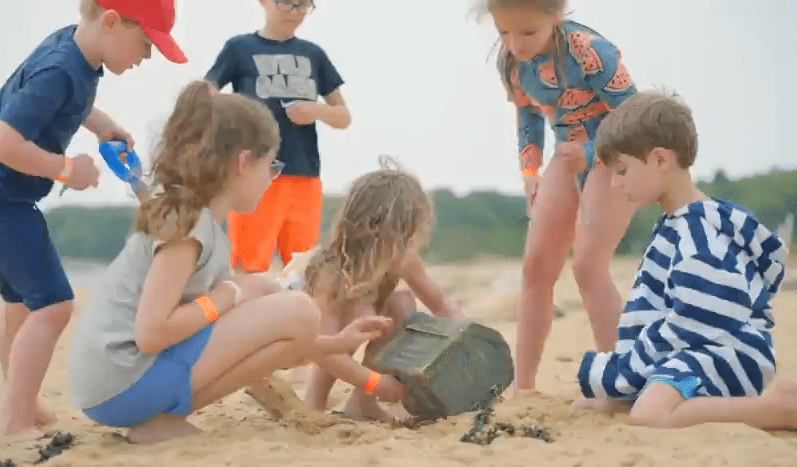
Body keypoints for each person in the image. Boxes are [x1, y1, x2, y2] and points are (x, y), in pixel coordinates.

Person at [67, 81, 392, 445]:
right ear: (243, 163)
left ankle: (160, 421)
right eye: (271, 165)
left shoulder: (201, 224)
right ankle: (159, 415)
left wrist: (336, 342)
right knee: (295, 308)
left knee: (263, 291)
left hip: (120, 382)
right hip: (122, 380)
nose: (274, 177)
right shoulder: (187, 227)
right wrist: (222, 299)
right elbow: (152, 332)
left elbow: (279, 341)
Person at [0, 0, 188, 436]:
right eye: (145, 44)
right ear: (112, 21)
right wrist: (65, 169)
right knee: (55, 305)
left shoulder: (76, 51)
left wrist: (99, 125)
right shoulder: (61, 68)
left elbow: (64, 104)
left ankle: (22, 402)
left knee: (22, 303)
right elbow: (2, 143)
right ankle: (17, 420)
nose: (146, 57)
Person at [573, 89, 797, 431]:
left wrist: (623, 371)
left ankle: (778, 410)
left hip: (728, 356)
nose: (616, 184)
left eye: (622, 171)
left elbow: (698, 321)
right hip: (700, 354)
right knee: (639, 397)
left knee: (650, 414)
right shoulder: (677, 224)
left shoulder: (699, 233)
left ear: (661, 159)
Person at [476, 0, 639, 391]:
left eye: (527, 33)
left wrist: (589, 153)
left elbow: (637, 119)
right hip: (564, 158)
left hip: (616, 156)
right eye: (503, 32)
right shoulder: (512, 60)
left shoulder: (590, 51)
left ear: (556, 15)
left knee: (588, 266)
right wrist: (530, 172)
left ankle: (620, 383)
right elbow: (528, 114)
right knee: (535, 269)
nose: (515, 44)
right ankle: (524, 387)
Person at [297, 165, 466, 422]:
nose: (409, 245)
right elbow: (327, 350)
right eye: (405, 235)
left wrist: (467, 340)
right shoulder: (331, 271)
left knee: (401, 303)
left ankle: (361, 404)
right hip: (306, 338)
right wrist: (376, 383)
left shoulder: (402, 257)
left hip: (346, 330)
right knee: (355, 315)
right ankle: (315, 402)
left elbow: (441, 305)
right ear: (380, 230)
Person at [204, 0, 351, 275]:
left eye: (304, 5)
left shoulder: (314, 54)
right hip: (253, 171)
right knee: (248, 264)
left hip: (305, 173)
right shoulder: (239, 48)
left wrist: (316, 110)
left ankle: (298, 316)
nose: (295, 12)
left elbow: (343, 115)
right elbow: (207, 92)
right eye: (287, 3)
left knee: (304, 267)